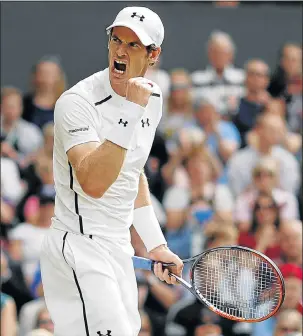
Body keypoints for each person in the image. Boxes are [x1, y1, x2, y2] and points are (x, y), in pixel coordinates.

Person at [40, 7, 183, 336]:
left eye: (133, 45)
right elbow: (93, 182)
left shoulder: (153, 97)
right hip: (77, 248)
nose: (120, 50)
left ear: (153, 55)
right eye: (116, 39)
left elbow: (132, 173)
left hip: (119, 249)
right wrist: (131, 110)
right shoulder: (76, 103)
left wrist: (155, 244)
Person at [191, 30, 245, 117]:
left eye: (223, 53)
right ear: (209, 54)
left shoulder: (242, 78)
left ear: (231, 55)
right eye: (215, 52)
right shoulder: (196, 79)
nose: (219, 56)